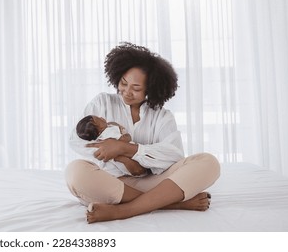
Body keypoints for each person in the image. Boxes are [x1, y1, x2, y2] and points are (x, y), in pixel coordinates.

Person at [65, 42, 220, 224]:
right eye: (124, 83)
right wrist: (120, 157)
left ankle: (124, 210)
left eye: (136, 88)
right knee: (75, 172)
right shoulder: (102, 103)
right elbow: (77, 140)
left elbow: (174, 155)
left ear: (151, 90)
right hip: (110, 182)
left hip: (153, 181)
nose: (127, 92)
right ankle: (171, 203)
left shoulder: (162, 116)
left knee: (208, 162)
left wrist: (126, 148)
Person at [75, 115, 148, 177]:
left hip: (116, 165)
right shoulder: (109, 131)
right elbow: (123, 140)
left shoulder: (99, 139)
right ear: (100, 129)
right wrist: (127, 136)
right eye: (99, 119)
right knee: (140, 163)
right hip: (128, 156)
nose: (101, 117)